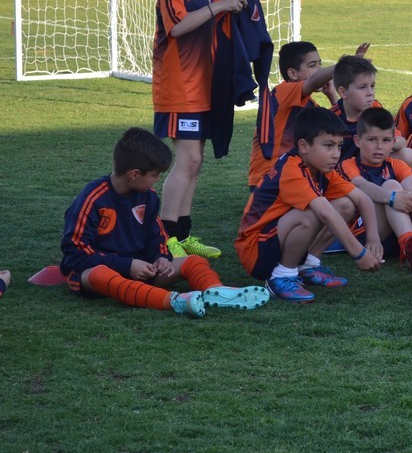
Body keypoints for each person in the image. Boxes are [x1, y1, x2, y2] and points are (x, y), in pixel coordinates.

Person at [61, 128, 270, 318]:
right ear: (134, 174)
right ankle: (174, 301)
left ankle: (216, 292)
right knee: (99, 275)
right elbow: (75, 254)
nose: (158, 180)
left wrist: (160, 257)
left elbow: (157, 236)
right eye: (155, 175)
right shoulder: (93, 199)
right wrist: (126, 265)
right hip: (101, 272)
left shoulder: (149, 197)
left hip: (142, 267)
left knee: (193, 261)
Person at [153, 0, 265, 260]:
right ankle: (165, 239)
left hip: (202, 89)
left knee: (195, 160)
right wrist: (219, 5)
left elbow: (224, 13)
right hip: (179, 90)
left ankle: (182, 235)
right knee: (187, 160)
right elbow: (177, 27)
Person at [235, 106, 383, 303]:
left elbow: (362, 198)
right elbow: (326, 213)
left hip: (275, 236)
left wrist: (373, 239)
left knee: (345, 205)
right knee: (312, 213)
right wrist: (359, 253)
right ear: (304, 146)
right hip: (255, 250)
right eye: (328, 145)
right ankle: (281, 276)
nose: (336, 154)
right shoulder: (292, 169)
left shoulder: (322, 169)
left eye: (339, 146)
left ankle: (308, 266)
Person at [341, 107, 412, 270]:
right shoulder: (349, 164)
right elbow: (361, 185)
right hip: (367, 235)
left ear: (393, 142)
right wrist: (393, 198)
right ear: (357, 141)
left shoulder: (396, 164)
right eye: (372, 140)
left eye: (386, 140)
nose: (379, 146)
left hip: (395, 230)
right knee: (392, 185)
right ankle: (408, 243)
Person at [248, 41, 338, 189]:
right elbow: (314, 81)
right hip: (268, 178)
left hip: (293, 175)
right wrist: (344, 65)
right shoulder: (283, 91)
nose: (319, 70)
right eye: (312, 65)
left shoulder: (310, 103)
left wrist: (332, 95)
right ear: (293, 74)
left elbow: (337, 128)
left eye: (320, 64)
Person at [332, 54, 412, 167]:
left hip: (371, 164)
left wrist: (379, 143)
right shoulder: (332, 118)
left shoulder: (375, 108)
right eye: (362, 87)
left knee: (407, 155)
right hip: (342, 171)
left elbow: (401, 141)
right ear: (343, 92)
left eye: (372, 86)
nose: (370, 92)